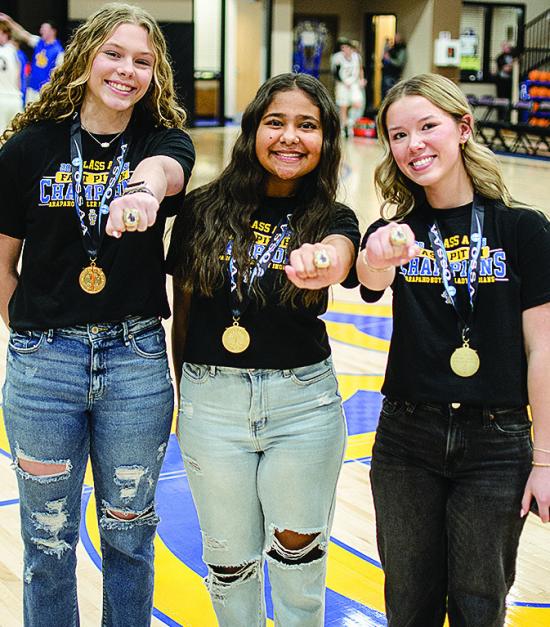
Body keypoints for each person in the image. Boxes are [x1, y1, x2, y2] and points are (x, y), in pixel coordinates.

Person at [0, 3, 195, 626]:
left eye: (143, 61)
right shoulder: (28, 149)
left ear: (156, 75)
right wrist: (30, 332)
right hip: (44, 366)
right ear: (84, 59)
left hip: (134, 362)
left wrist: (141, 187)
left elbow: (167, 172)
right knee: (48, 541)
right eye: (113, 53)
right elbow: (2, 261)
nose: (126, 70)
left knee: (130, 536)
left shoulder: (163, 142)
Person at [357, 73, 550, 626]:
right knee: (409, 606)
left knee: (479, 606)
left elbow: (544, 351)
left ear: (462, 128)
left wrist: (546, 458)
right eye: (398, 135)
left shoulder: (524, 230)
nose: (413, 144)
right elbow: (369, 276)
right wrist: (376, 254)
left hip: (498, 441)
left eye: (427, 127)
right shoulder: (395, 234)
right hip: (407, 439)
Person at [167, 72, 360, 626]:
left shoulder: (331, 217)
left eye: (307, 125)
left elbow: (341, 253)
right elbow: (184, 315)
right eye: (276, 122)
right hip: (212, 401)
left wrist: (325, 259)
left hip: (304, 407)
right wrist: (190, 401)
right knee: (228, 566)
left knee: (299, 562)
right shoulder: (200, 209)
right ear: (253, 129)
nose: (289, 137)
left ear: (326, 140)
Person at [0, 13, 64, 103]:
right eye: (41, 29)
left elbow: (60, 74)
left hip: (45, 91)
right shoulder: (39, 43)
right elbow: (22, 33)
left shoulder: (59, 51)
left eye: (44, 29)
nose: (41, 31)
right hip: (31, 88)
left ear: (53, 31)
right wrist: (9, 21)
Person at [331, 37, 365, 137]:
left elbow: (360, 69)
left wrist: (361, 79)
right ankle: (343, 127)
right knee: (343, 107)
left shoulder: (356, 57)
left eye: (346, 47)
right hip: (342, 84)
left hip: (354, 83)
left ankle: (350, 123)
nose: (344, 49)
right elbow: (335, 73)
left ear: (350, 48)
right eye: (342, 47)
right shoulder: (337, 57)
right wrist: (343, 82)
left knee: (358, 103)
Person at [0, 22, 22, 134]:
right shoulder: (12, 49)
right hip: (15, 98)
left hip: (3, 97)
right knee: (16, 133)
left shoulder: (9, 49)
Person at [381, 33, 406, 99]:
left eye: (396, 38)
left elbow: (399, 63)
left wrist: (389, 59)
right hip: (387, 73)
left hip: (393, 75)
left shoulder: (401, 49)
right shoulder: (392, 48)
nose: (394, 40)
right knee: (384, 94)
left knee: (390, 95)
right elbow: (384, 59)